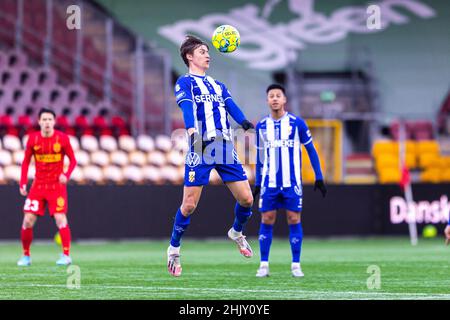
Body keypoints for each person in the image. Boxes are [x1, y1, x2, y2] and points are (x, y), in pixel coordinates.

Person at [167, 35, 255, 277]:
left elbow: (231, 106)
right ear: (189, 56)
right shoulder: (185, 82)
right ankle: (174, 248)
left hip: (224, 146)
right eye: (203, 51)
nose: (208, 55)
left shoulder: (218, 85)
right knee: (189, 205)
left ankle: (236, 232)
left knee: (247, 199)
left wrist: (246, 123)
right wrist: (192, 133)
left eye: (208, 51)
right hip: (201, 145)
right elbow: (187, 108)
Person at [253, 84, 327, 278]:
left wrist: (318, 176)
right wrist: (258, 182)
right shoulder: (261, 126)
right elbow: (259, 158)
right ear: (267, 101)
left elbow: (311, 150)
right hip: (269, 183)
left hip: (291, 183)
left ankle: (295, 264)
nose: (275, 99)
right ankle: (263, 264)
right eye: (271, 96)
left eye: (278, 95)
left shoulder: (297, 123)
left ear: (284, 99)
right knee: (267, 218)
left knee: (294, 219)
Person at [17, 108, 77, 267]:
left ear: (54, 122)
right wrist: (23, 182)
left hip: (56, 186)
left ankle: (66, 255)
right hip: (38, 186)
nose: (47, 122)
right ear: (39, 122)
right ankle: (26, 256)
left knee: (60, 218)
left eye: (50, 119)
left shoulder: (62, 139)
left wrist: (67, 174)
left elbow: (73, 160)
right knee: (28, 220)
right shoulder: (32, 139)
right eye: (44, 119)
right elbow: (25, 162)